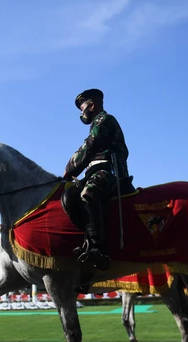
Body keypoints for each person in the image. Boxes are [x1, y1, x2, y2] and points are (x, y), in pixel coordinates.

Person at [62, 88, 130, 270]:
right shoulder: (96, 124)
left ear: (91, 106)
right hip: (95, 172)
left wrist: (69, 169)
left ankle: (98, 248)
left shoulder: (104, 120)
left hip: (110, 171)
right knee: (70, 195)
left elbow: (90, 146)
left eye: (82, 108)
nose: (81, 113)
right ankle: (85, 241)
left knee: (88, 193)